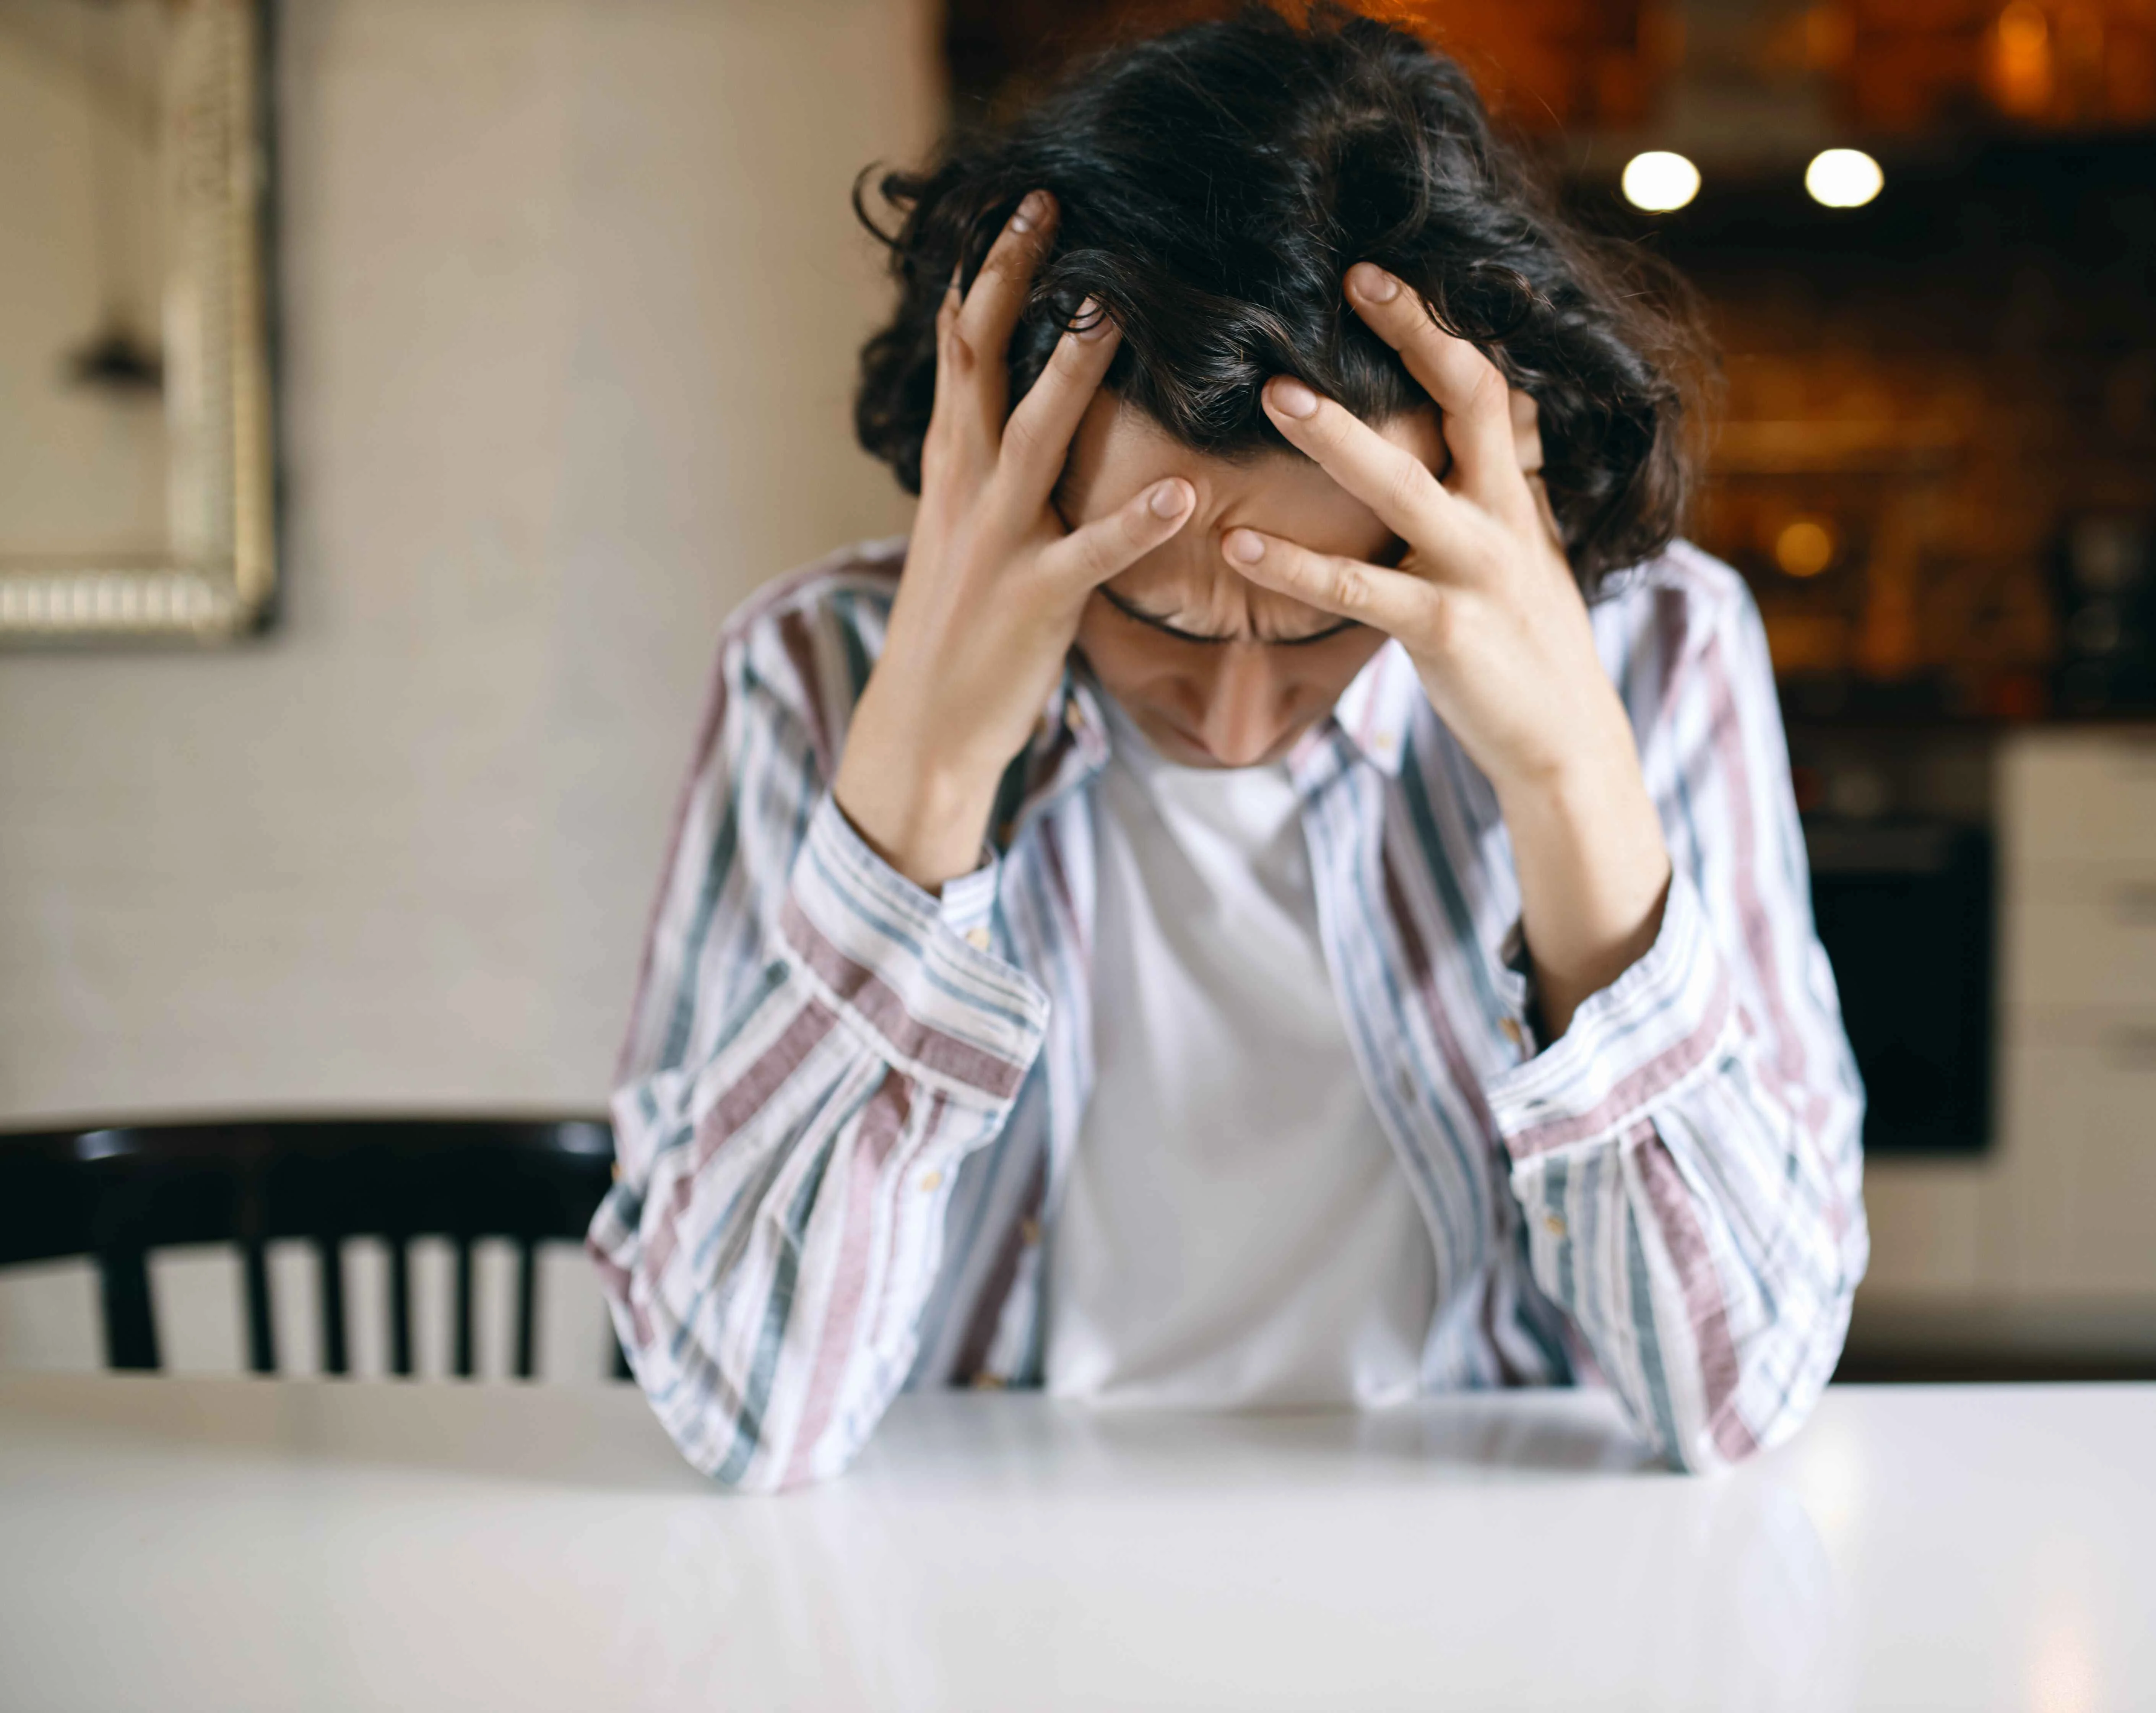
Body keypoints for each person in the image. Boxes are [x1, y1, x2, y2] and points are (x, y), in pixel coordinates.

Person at [590, 2, 1867, 1492]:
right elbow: (751, 1417)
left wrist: (1573, 780)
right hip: (971, 1579)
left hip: (1493, 1572)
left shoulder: (1659, 658)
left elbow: (1742, 1393)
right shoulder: (814, 675)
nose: (1238, 720)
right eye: (1157, 618)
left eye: (1330, 623)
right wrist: (918, 792)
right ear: (1003, 473)